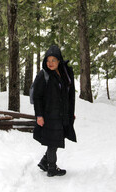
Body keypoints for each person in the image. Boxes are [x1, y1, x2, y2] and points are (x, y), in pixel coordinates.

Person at [32, 45, 77, 177]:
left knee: (57, 137)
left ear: (59, 61)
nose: (50, 63)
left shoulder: (63, 73)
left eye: (53, 60)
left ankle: (44, 162)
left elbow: (67, 94)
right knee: (53, 141)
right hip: (49, 114)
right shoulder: (43, 75)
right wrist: (39, 115)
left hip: (61, 113)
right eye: (48, 60)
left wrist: (69, 111)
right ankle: (52, 168)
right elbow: (37, 97)